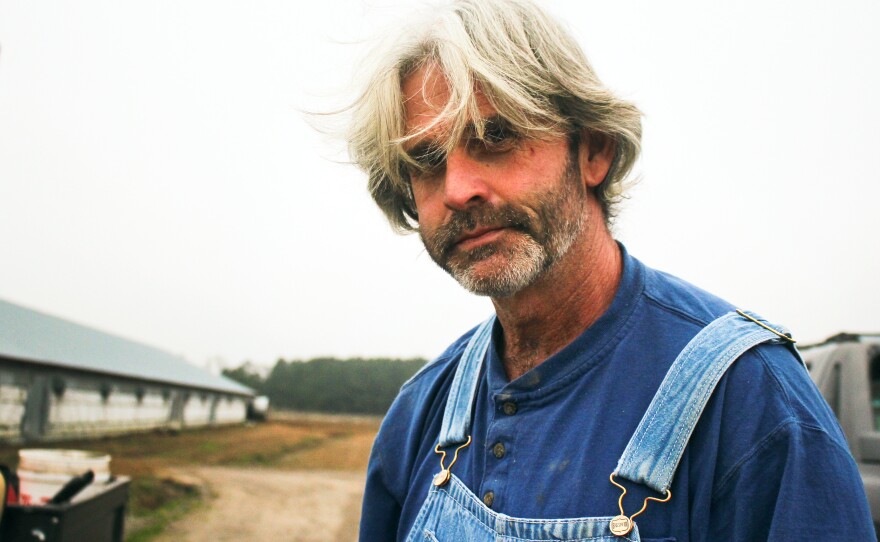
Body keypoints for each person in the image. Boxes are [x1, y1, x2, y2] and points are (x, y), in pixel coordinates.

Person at [344, 0, 875, 540]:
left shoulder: (752, 403)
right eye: (427, 162)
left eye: (496, 138)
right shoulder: (419, 417)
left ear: (593, 151)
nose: (458, 190)